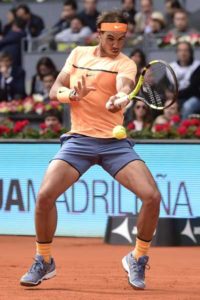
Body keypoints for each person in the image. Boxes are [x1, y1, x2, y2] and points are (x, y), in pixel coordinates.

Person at [20, 10, 161, 290]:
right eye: (111, 38)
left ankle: (137, 258)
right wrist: (71, 95)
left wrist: (121, 99)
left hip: (114, 144)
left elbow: (124, 86)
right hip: (79, 141)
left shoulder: (126, 64)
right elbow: (54, 90)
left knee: (152, 196)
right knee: (44, 196)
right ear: (98, 34)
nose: (117, 44)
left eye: (122, 39)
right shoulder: (78, 54)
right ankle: (44, 260)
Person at [170, 41, 200, 119]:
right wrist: (167, 91)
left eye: (186, 50)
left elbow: (194, 89)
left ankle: (183, 129)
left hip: (195, 97)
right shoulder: (171, 67)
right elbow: (163, 84)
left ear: (190, 52)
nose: (183, 53)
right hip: (177, 97)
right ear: (177, 53)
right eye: (180, 50)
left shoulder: (197, 66)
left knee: (188, 106)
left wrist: (176, 95)